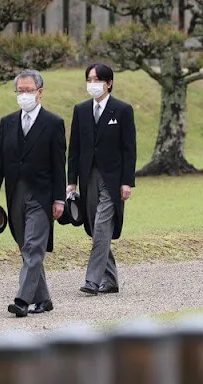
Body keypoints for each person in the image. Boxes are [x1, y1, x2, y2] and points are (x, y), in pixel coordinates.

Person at [0, 69, 66, 317]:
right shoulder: (7, 123)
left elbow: (59, 165)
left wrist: (59, 198)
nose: (24, 95)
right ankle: (44, 299)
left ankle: (22, 300)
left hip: (42, 196)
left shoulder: (53, 123)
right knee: (25, 248)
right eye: (20, 91)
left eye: (29, 90)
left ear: (39, 92)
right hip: (15, 193)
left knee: (33, 248)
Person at [67, 63, 137, 295]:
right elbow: (74, 149)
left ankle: (92, 280)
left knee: (102, 226)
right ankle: (112, 280)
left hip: (113, 179)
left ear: (109, 83)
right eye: (89, 79)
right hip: (88, 177)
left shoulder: (123, 110)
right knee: (95, 229)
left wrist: (127, 182)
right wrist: (71, 181)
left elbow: (129, 149)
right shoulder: (80, 110)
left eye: (97, 80)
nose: (92, 84)